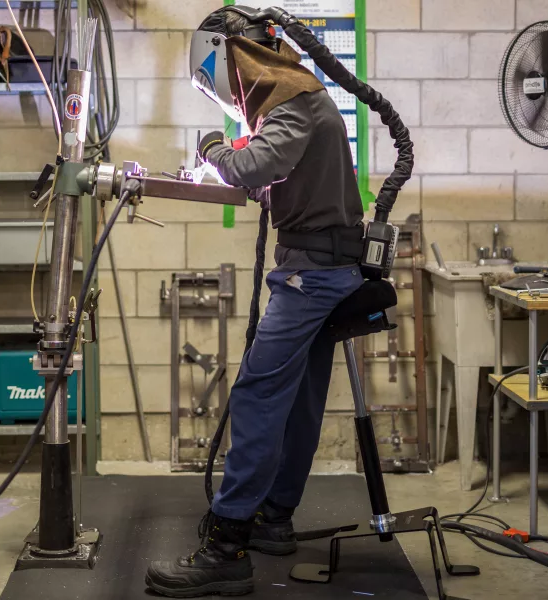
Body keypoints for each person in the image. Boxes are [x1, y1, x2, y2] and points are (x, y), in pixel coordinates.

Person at [146, 7, 366, 597]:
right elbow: (273, 170)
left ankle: (227, 546)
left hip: (312, 276)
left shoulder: (295, 96)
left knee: (257, 394)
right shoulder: (293, 97)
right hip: (321, 267)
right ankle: (274, 519)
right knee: (297, 401)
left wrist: (216, 147)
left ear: (232, 57)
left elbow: (253, 167)